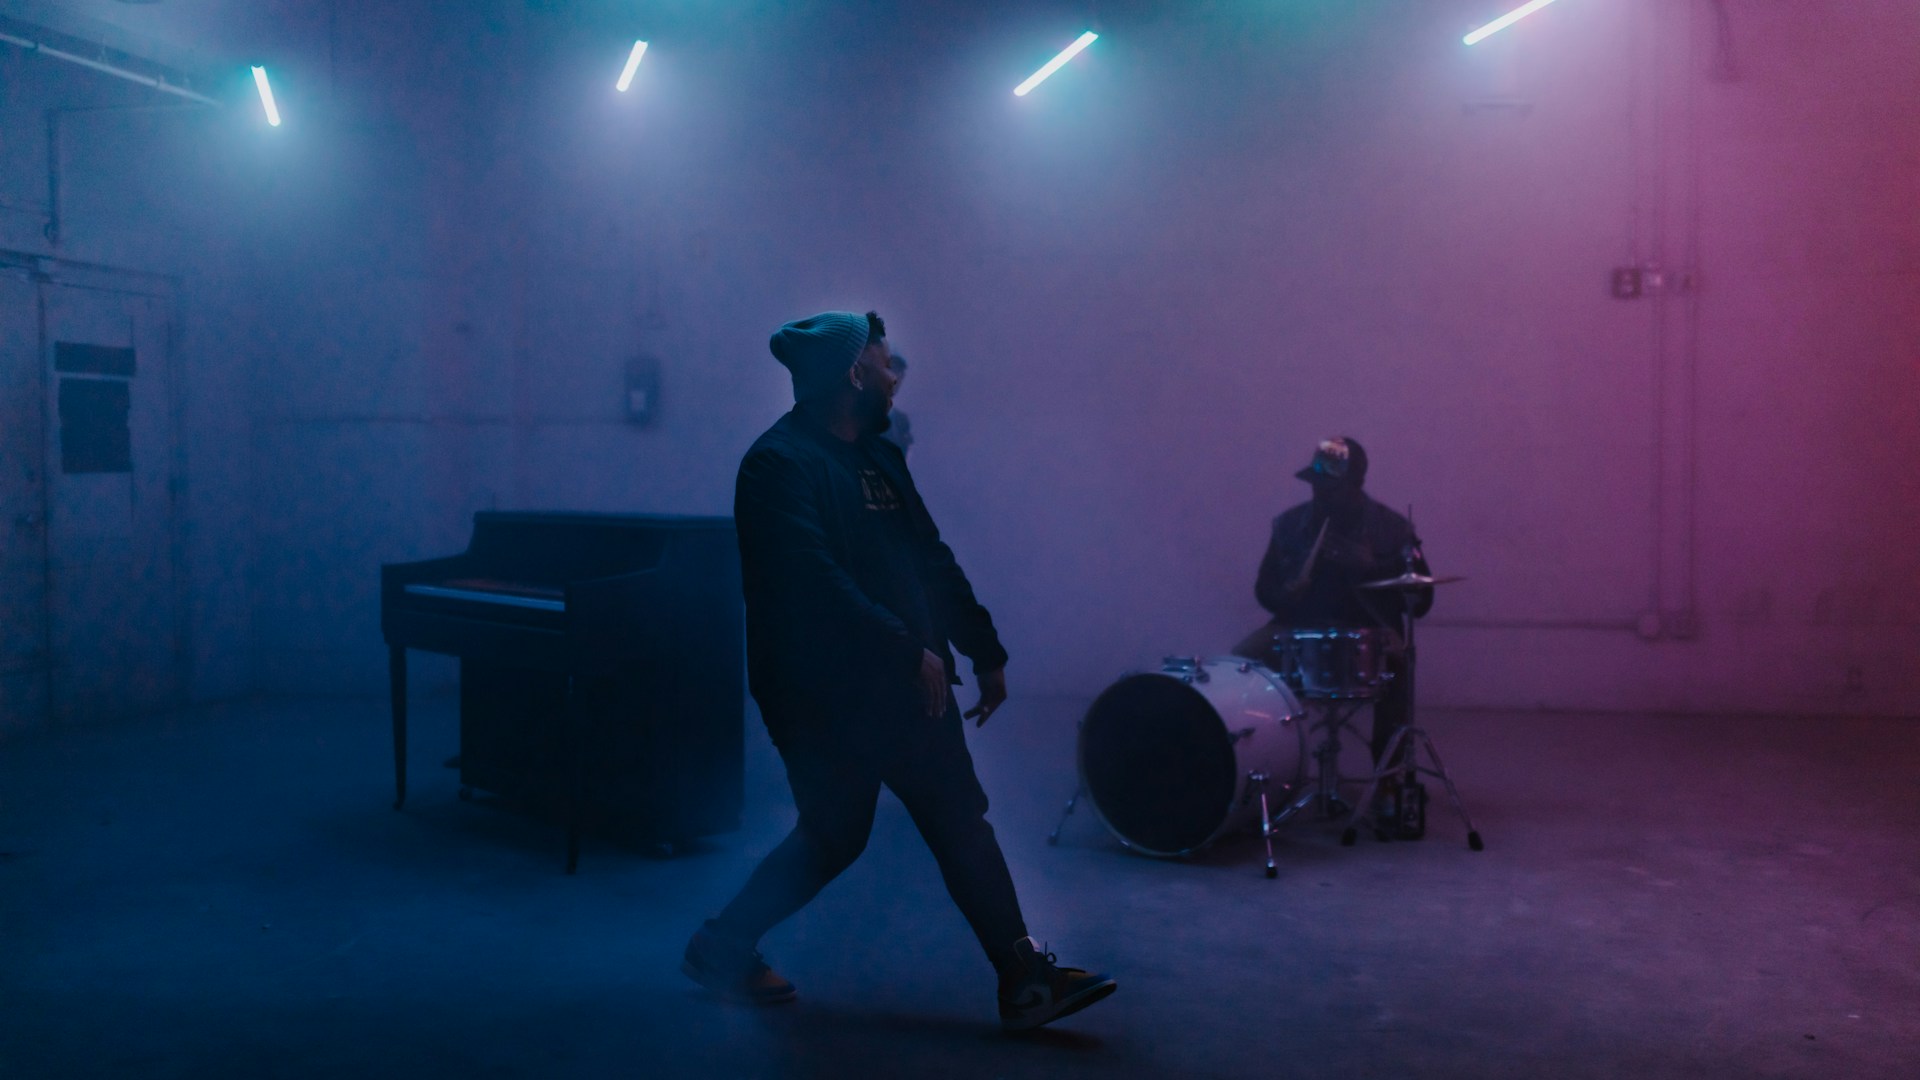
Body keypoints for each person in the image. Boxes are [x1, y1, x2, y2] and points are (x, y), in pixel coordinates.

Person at [682, 310, 1115, 1032]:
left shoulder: (880, 457)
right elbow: (810, 583)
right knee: (835, 833)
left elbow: (928, 556)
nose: (893, 377)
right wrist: (905, 649)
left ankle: (1023, 980)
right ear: (854, 374)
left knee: (956, 820)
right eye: (884, 365)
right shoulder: (778, 465)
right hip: (822, 695)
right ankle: (721, 945)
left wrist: (984, 646)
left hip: (906, 684)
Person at [1233, 437, 1434, 774]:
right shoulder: (1289, 525)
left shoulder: (1393, 529)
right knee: (1238, 666)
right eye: (1316, 486)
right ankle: (1256, 772)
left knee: (1399, 669)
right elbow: (1263, 590)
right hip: (1295, 629)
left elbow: (1423, 602)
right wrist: (1285, 593)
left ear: (1357, 483)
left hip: (1372, 633)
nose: (1321, 495)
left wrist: (1373, 569)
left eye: (1331, 488)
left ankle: (1389, 778)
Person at [878, 350, 913, 455]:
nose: (895, 377)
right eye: (891, 369)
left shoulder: (901, 421)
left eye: (899, 372)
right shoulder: (859, 415)